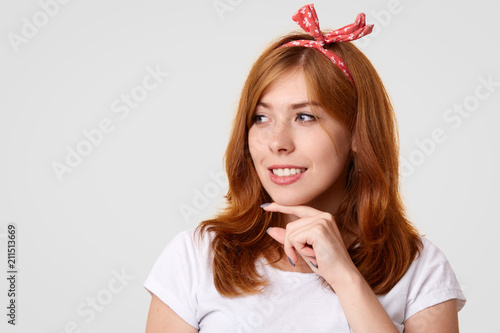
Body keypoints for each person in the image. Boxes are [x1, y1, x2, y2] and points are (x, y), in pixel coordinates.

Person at [144, 4, 466, 332]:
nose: (277, 142)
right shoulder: (195, 257)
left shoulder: (421, 268)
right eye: (261, 117)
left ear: (357, 132)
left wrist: (345, 277)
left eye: (305, 117)